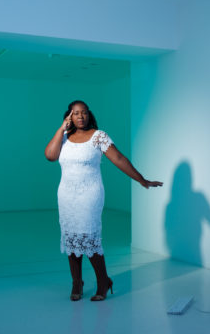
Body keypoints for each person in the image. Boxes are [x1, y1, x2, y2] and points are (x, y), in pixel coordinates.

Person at [45, 100, 162, 301]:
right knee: (71, 239)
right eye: (76, 113)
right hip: (66, 196)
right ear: (69, 116)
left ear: (89, 114)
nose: (80, 116)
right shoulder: (63, 137)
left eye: (84, 112)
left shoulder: (99, 136)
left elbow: (119, 159)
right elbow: (50, 156)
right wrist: (61, 129)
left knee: (89, 238)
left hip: (90, 195)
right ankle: (77, 283)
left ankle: (103, 282)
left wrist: (142, 180)